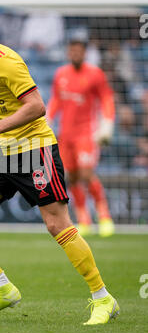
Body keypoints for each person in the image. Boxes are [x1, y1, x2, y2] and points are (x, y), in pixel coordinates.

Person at [0, 0, 119, 325]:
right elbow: (1, 108)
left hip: (35, 150)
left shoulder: (7, 61)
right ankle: (2, 288)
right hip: (3, 152)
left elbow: (37, 106)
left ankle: (102, 297)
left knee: (57, 225)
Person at [47, 40, 116, 237]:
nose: (75, 54)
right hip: (65, 135)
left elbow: (106, 99)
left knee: (87, 174)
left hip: (86, 133)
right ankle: (84, 219)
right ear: (69, 52)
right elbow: (56, 100)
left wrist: (107, 124)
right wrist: (49, 118)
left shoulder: (95, 74)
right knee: (72, 177)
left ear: (84, 53)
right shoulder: (61, 74)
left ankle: (104, 217)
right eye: (72, 50)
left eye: (78, 51)